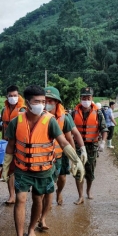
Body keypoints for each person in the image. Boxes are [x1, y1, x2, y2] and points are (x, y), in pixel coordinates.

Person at [2, 85, 84, 236]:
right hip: (22, 169)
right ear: (27, 102)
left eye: (43, 101)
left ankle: (32, 227)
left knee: (38, 200)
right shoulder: (16, 122)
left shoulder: (50, 121)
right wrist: (6, 166)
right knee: (20, 199)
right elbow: (10, 146)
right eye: (37, 101)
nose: (41, 105)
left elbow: (63, 142)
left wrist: (76, 160)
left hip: (44, 170)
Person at [43, 87, 87, 222]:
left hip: (60, 155)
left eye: (51, 101)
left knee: (62, 179)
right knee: (48, 182)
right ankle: (45, 210)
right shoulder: (38, 115)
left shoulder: (64, 117)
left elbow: (72, 136)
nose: (47, 103)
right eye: (46, 100)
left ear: (57, 102)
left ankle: (59, 192)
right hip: (44, 157)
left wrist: (78, 154)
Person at [72, 87, 108, 204]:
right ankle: (80, 195)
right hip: (77, 146)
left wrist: (103, 142)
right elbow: (68, 130)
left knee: (90, 171)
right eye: (83, 97)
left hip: (92, 147)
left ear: (92, 98)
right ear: (80, 98)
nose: (85, 100)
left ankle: (88, 190)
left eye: (88, 98)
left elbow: (104, 129)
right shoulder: (74, 113)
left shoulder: (98, 113)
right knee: (78, 171)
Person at [0, 85, 26, 205]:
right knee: (9, 170)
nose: (13, 98)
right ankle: (11, 195)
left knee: (20, 170)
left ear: (18, 95)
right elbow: (3, 129)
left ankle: (20, 194)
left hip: (20, 144)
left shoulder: (23, 110)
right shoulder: (4, 110)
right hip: (7, 143)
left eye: (15, 95)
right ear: (7, 96)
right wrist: (2, 142)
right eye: (10, 96)